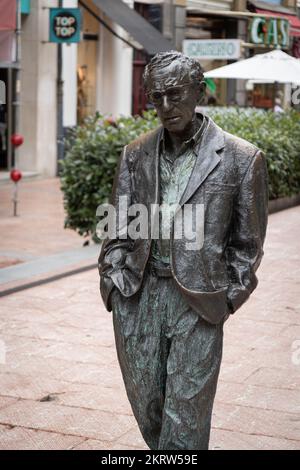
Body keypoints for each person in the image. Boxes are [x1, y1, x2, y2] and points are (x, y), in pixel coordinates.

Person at [98, 51, 268, 450]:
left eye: (174, 94)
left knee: (186, 412)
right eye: (156, 97)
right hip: (138, 296)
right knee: (148, 405)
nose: (165, 107)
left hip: (199, 300)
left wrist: (228, 298)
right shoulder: (135, 153)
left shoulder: (242, 159)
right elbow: (115, 226)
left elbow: (248, 244)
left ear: (200, 92)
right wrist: (113, 283)